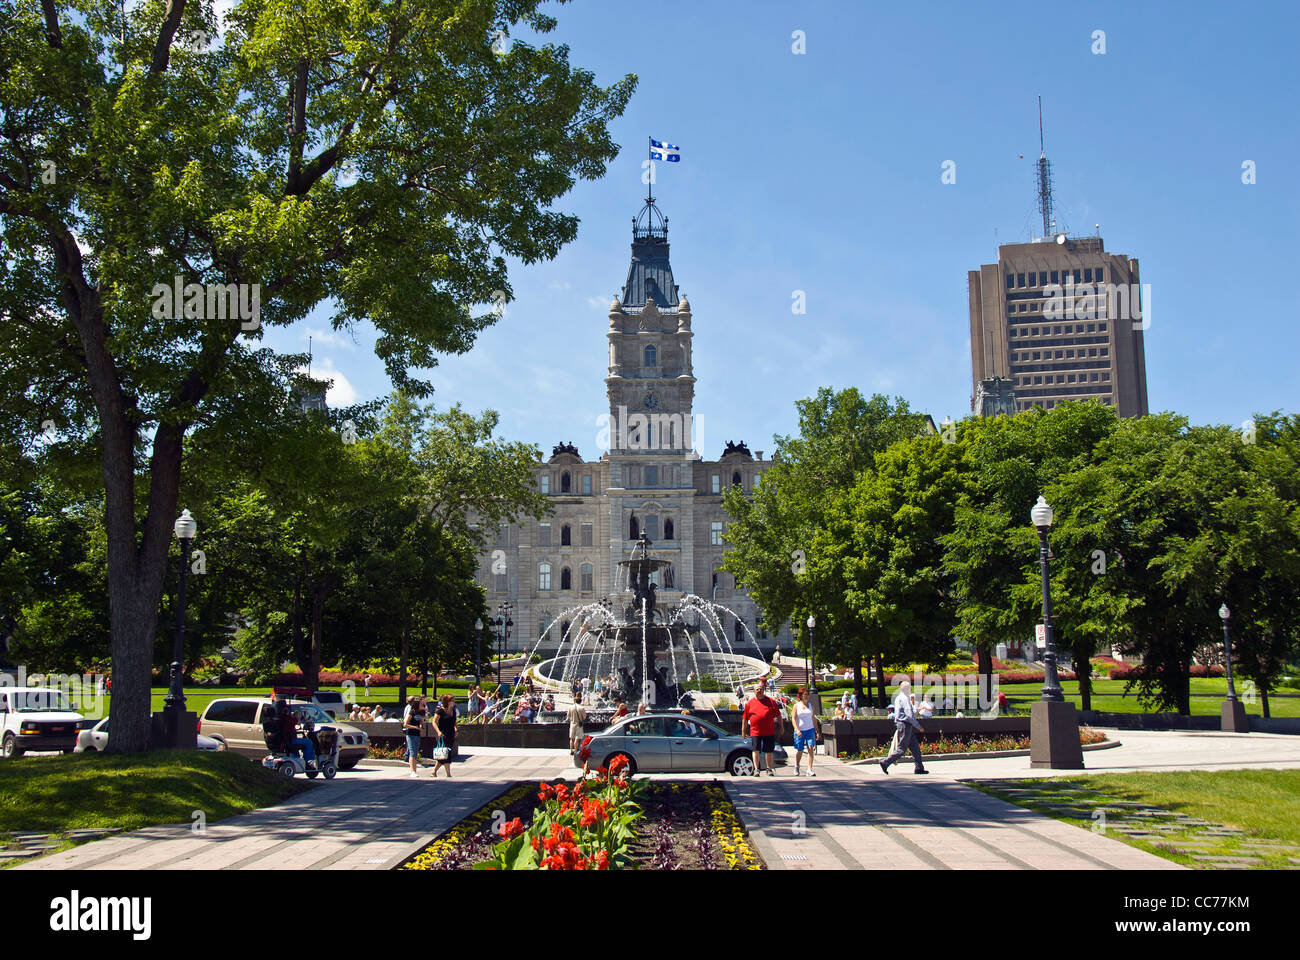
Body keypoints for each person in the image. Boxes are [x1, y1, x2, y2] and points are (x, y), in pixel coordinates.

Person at [880, 680, 928, 776]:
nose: (910, 689)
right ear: (906, 689)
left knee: (915, 748)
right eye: (909, 688)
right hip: (905, 725)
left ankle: (919, 768)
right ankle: (885, 762)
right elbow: (909, 715)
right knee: (902, 749)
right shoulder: (905, 699)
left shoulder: (898, 698)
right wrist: (918, 726)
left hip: (902, 724)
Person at [741, 681, 783, 776]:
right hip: (755, 731)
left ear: (764, 690)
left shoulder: (770, 701)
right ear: (754, 691)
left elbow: (778, 715)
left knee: (769, 751)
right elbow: (745, 718)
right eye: (757, 689)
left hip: (768, 731)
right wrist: (743, 731)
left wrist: (781, 727)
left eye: (761, 689)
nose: (759, 691)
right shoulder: (750, 703)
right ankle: (756, 769)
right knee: (755, 750)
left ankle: (769, 768)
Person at [790, 686, 817, 777]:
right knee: (800, 750)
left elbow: (813, 718)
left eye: (807, 695)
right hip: (800, 731)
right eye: (805, 695)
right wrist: (796, 729)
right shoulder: (796, 706)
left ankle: (809, 769)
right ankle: (797, 766)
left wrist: (817, 731)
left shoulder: (811, 706)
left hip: (810, 729)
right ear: (800, 696)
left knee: (810, 748)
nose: (806, 696)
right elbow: (793, 719)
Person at [430, 694, 457, 778]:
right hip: (443, 734)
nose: (453, 702)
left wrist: (456, 729)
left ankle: (434, 772)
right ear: (447, 702)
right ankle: (448, 774)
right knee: (446, 753)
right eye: (452, 700)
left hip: (451, 734)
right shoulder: (440, 711)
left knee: (444, 754)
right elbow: (434, 722)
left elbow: (454, 722)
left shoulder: (453, 711)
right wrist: (438, 731)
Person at [402, 695, 426, 778]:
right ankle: (412, 771)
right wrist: (415, 727)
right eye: (420, 704)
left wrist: (420, 725)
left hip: (417, 733)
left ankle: (415, 770)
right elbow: (405, 724)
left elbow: (421, 722)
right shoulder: (412, 712)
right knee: (412, 752)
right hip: (411, 733)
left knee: (415, 752)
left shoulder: (421, 712)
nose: (421, 705)